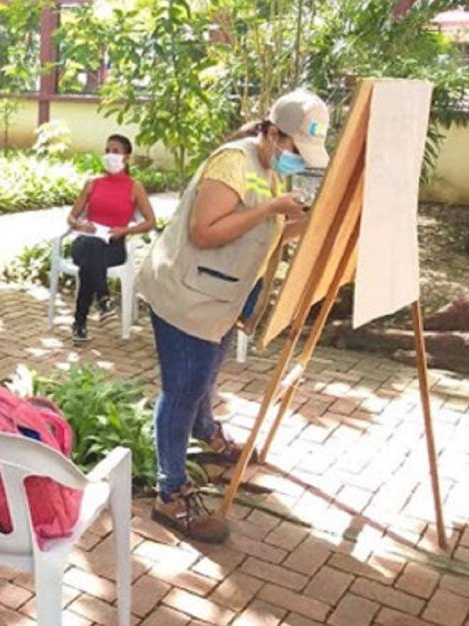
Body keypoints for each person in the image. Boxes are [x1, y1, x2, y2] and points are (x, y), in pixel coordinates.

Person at [135, 90, 329, 543]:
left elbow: (272, 228)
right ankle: (170, 493)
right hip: (187, 294)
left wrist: (318, 222)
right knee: (182, 389)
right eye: (295, 149)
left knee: (205, 375)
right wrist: (272, 208)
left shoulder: (269, 168)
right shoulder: (233, 162)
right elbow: (204, 233)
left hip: (222, 295)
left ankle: (206, 432)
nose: (298, 160)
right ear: (273, 132)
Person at [65, 134, 157, 343]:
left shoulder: (135, 187)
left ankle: (80, 323)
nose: (109, 155)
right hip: (85, 240)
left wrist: (125, 231)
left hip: (114, 246)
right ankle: (104, 299)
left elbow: (151, 221)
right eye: (107, 150)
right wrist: (80, 225)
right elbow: (71, 216)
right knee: (91, 247)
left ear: (127, 157)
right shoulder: (92, 183)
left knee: (90, 264)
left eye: (115, 151)